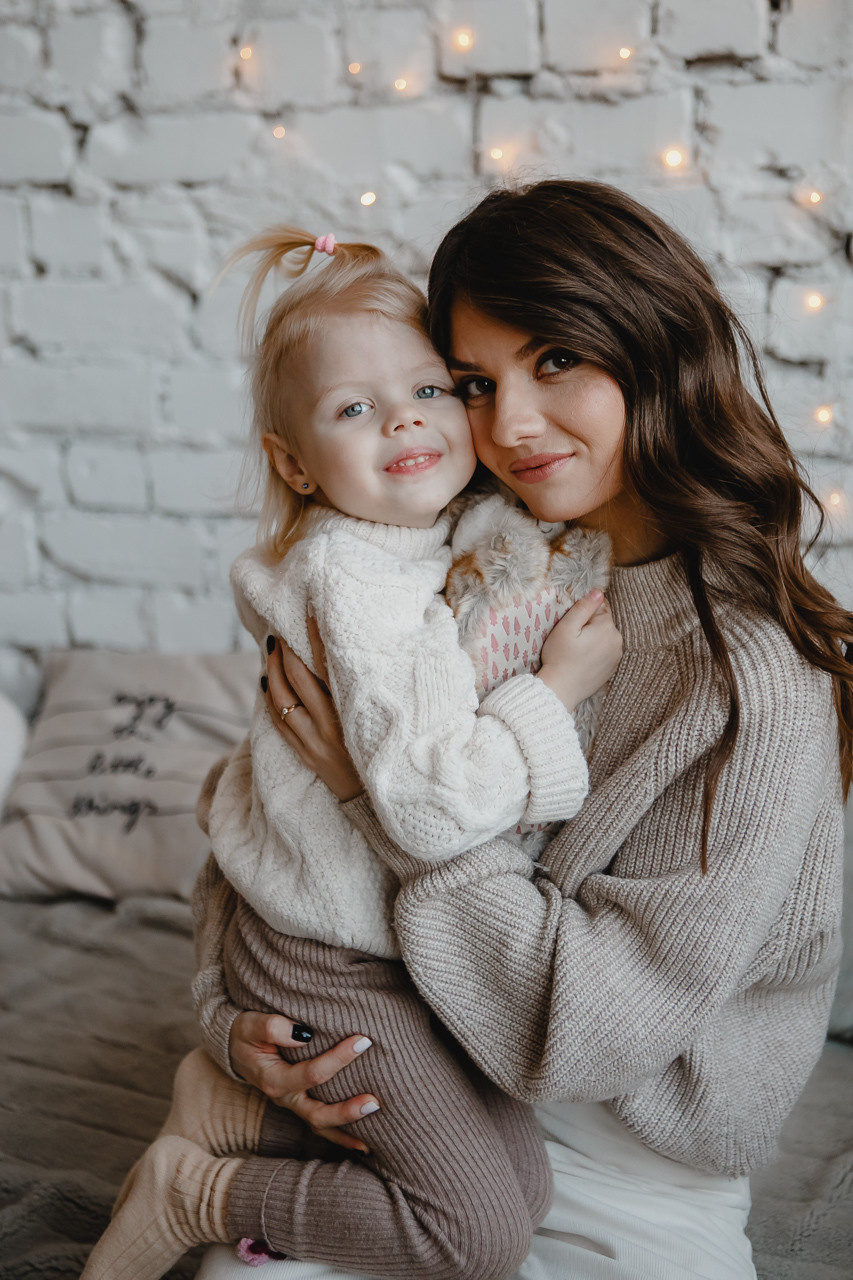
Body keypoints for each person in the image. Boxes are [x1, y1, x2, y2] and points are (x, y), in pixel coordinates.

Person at [202, 180, 851, 1280]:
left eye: (554, 359)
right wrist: (227, 1024)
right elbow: (268, 816)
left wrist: (379, 802)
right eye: (472, 382)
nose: (506, 425)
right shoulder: (451, 549)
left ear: (653, 348)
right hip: (419, 1077)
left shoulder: (752, 684)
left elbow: (589, 1030)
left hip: (620, 1153)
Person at [80, 225, 621, 1280]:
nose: (404, 419)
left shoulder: (426, 541)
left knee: (533, 1186)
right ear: (295, 461)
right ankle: (197, 1184)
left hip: (391, 945)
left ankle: (243, 1114)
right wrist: (552, 691)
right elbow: (427, 812)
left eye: (426, 387)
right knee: (475, 1233)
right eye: (351, 409)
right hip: (332, 955)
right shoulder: (353, 582)